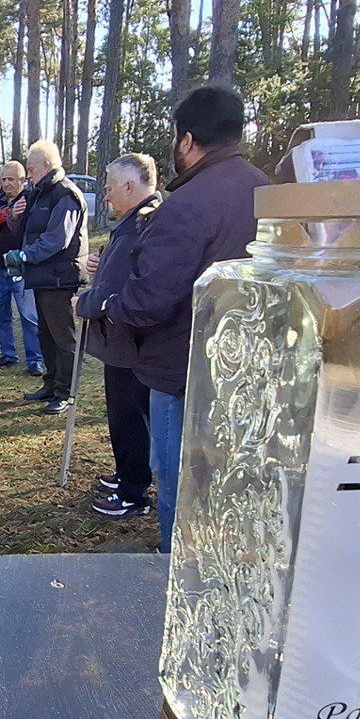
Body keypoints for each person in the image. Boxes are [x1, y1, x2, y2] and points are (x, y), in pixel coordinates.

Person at [97, 85, 266, 551]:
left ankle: (174, 565)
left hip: (182, 369)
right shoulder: (269, 192)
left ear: (187, 139)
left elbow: (151, 297)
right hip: (249, 363)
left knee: (176, 477)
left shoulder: (186, 206)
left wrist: (109, 306)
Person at [75, 153, 162, 519]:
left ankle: (133, 493)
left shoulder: (140, 225)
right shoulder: (135, 223)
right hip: (129, 338)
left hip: (129, 339)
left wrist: (83, 303)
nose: (107, 196)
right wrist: (102, 261)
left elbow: (119, 290)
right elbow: (119, 271)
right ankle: (130, 474)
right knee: (127, 414)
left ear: (129, 187)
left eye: (110, 188)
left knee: (129, 416)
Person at [8, 139, 89, 414]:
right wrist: (14, 217)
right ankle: (51, 384)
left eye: (31, 170)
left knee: (63, 337)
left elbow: (57, 239)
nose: (28, 176)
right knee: (46, 334)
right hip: (43, 277)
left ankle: (66, 393)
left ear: (46, 165)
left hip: (59, 277)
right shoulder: (38, 193)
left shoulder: (65, 194)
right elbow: (24, 231)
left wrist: (25, 256)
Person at [0, 160, 43, 376]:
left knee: (28, 315)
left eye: (11, 179)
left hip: (20, 266)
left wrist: (16, 217)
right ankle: (8, 353)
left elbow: (31, 231)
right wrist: (0, 218)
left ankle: (35, 359)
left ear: (22, 180)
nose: (7, 183)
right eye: (4, 179)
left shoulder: (29, 200)